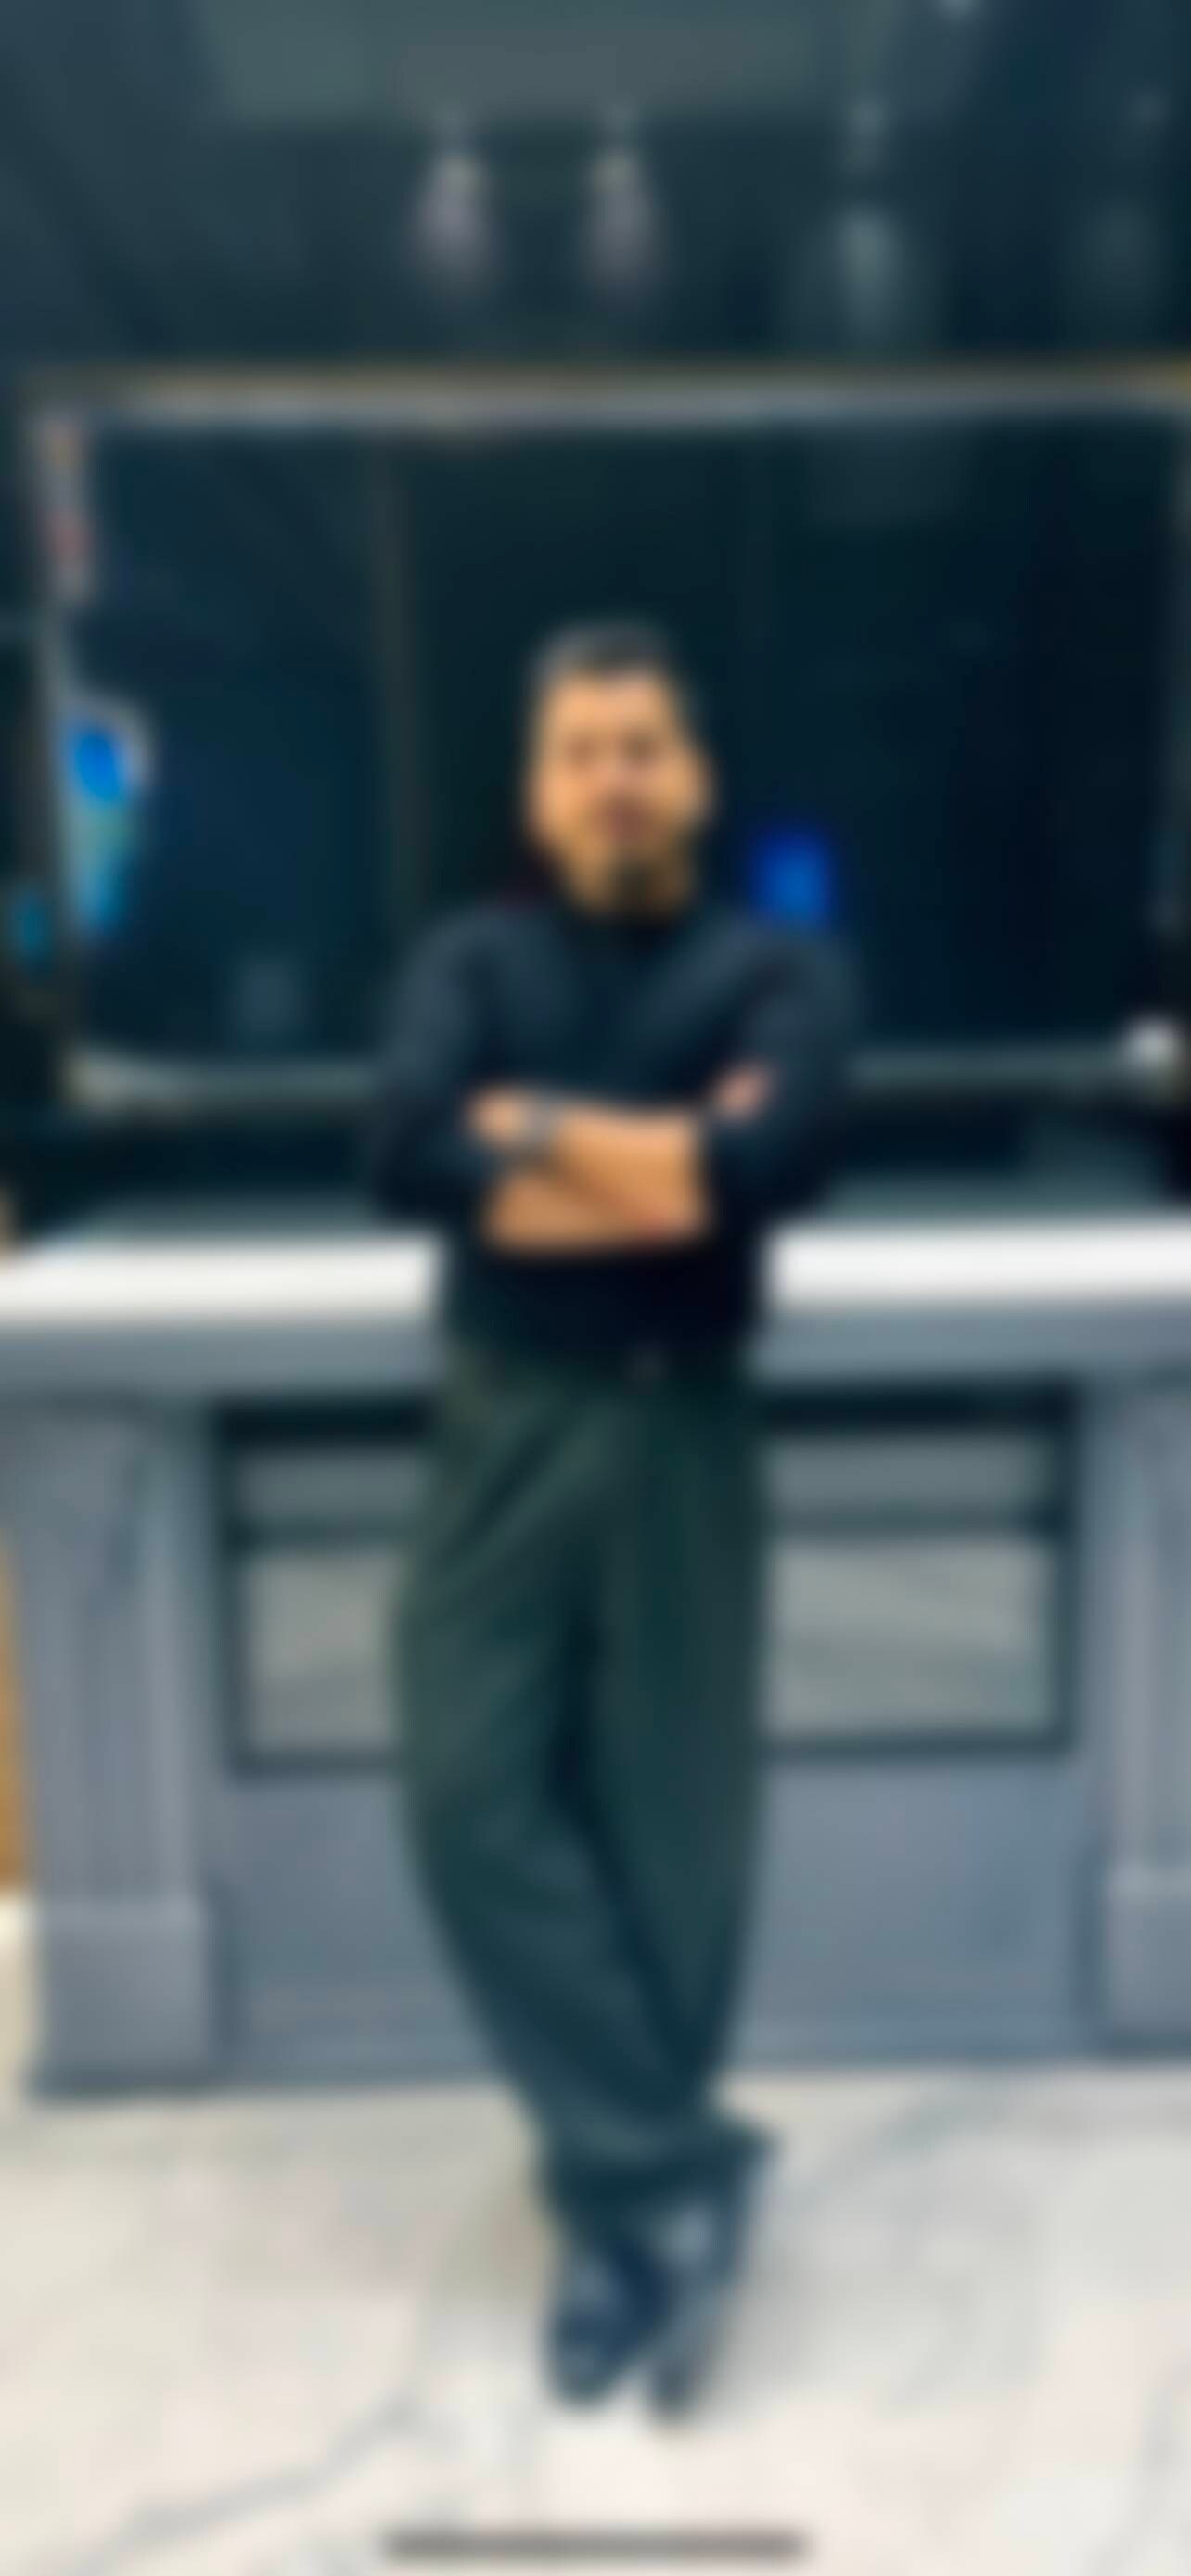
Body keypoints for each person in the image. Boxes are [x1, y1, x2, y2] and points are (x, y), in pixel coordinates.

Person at [364, 620, 855, 2411]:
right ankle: (675, 2162)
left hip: (681, 1437)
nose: (615, 778)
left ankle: (625, 2221)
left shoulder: (778, 966)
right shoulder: (468, 959)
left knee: (674, 1834)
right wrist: (664, 1162)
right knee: (467, 1796)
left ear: (694, 777)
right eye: (582, 751)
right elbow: (405, 1153)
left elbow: (771, 1164)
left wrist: (532, 1135)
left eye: (644, 745)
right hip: (499, 1431)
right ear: (539, 787)